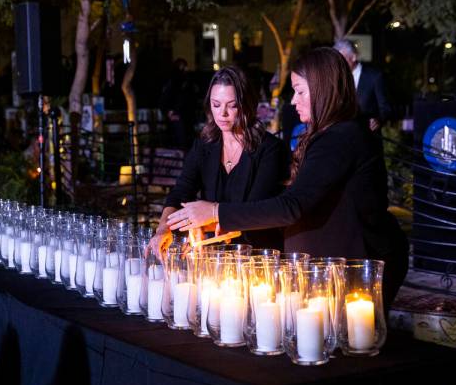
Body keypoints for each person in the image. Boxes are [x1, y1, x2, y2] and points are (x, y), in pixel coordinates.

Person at [167, 48, 409, 310]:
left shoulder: (341, 138)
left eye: (300, 91)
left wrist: (215, 211)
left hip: (361, 262)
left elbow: (292, 206)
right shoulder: (331, 135)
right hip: (337, 263)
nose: (294, 101)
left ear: (323, 89)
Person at [146, 66, 290, 256]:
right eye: (216, 105)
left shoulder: (269, 149)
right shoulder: (205, 145)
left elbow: (256, 210)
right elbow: (181, 191)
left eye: (231, 105)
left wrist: (210, 215)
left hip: (260, 256)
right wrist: (164, 228)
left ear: (246, 105)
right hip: (216, 258)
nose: (222, 114)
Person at [334, 39, 392, 132]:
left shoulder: (374, 77)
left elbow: (386, 108)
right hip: (342, 137)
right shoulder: (335, 79)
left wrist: (378, 120)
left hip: (368, 137)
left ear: (353, 57)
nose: (338, 64)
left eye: (342, 59)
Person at [159, 58, 198, 150]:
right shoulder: (176, 81)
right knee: (181, 142)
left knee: (183, 142)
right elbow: (168, 99)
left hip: (183, 116)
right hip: (179, 116)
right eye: (184, 67)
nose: (186, 69)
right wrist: (170, 112)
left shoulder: (184, 81)